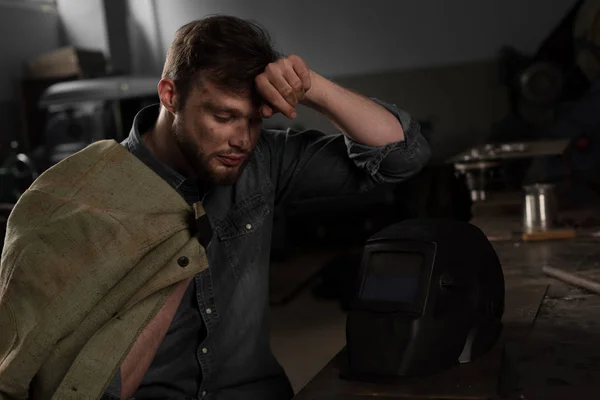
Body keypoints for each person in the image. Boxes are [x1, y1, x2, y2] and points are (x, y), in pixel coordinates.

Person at [0, 15, 430, 400]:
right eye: (223, 117)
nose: (242, 139)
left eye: (254, 120)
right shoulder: (80, 197)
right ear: (170, 95)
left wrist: (310, 85)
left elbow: (402, 157)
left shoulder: (260, 161)